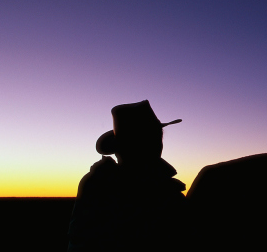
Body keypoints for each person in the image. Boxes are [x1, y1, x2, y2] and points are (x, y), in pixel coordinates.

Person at [68, 100, 186, 252]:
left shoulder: (98, 182)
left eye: (158, 137)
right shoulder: (102, 185)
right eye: (149, 137)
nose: (158, 143)